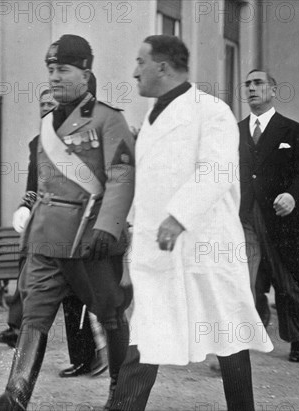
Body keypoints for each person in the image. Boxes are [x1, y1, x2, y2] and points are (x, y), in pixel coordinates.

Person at [107, 35, 273, 411]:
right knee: (146, 336)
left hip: (207, 248)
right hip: (160, 250)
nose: (134, 72)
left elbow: (216, 171)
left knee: (228, 336)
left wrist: (179, 217)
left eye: (140, 61)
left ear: (162, 67)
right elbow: (148, 186)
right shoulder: (151, 119)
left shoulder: (211, 111)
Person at [0, 34, 135, 411]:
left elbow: (122, 178)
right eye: (50, 69)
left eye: (63, 69)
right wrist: (29, 224)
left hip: (88, 237)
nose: (54, 76)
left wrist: (107, 228)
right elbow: (42, 184)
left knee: (110, 314)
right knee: (35, 316)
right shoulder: (47, 126)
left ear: (85, 72)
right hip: (47, 239)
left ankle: (121, 394)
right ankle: (14, 398)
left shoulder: (109, 120)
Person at [0, 87, 108, 379]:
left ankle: (104, 356)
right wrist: (24, 206)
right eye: (41, 104)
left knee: (83, 297)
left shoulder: (83, 139)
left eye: (50, 103)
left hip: (78, 227)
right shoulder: (37, 142)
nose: (44, 108)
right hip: (47, 227)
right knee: (46, 288)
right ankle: (69, 355)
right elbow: (34, 185)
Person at [239, 69, 299, 363]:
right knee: (248, 280)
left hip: (280, 218)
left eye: (258, 83)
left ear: (273, 90)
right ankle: (250, 334)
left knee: (287, 283)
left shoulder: (293, 131)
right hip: (244, 215)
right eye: (247, 84)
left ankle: (296, 340)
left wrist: (293, 196)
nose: (251, 89)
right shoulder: (235, 130)